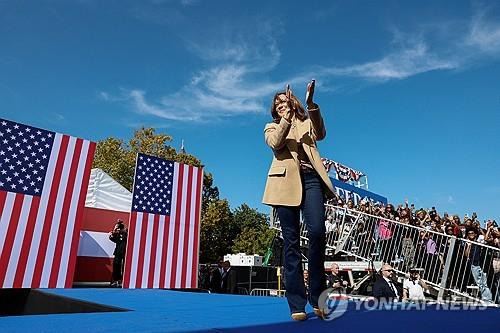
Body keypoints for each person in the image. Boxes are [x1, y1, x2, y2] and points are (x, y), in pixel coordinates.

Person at [262, 80, 335, 321]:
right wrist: (287, 118)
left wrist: (310, 103)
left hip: (312, 180)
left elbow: (321, 133)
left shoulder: (305, 122)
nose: (281, 105)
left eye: (284, 101)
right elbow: (276, 144)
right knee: (291, 242)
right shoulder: (271, 127)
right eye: (277, 104)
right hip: (284, 185)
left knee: (317, 233)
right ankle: (296, 303)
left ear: (293, 102)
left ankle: (318, 298)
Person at [109, 219, 127, 287]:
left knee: (124, 267)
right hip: (118, 253)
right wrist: (114, 229)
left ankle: (123, 281)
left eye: (119, 229)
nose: (118, 230)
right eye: (117, 229)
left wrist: (122, 229)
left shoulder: (127, 234)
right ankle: (116, 280)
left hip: (126, 254)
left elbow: (127, 231)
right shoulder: (117, 235)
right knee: (116, 266)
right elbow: (111, 238)